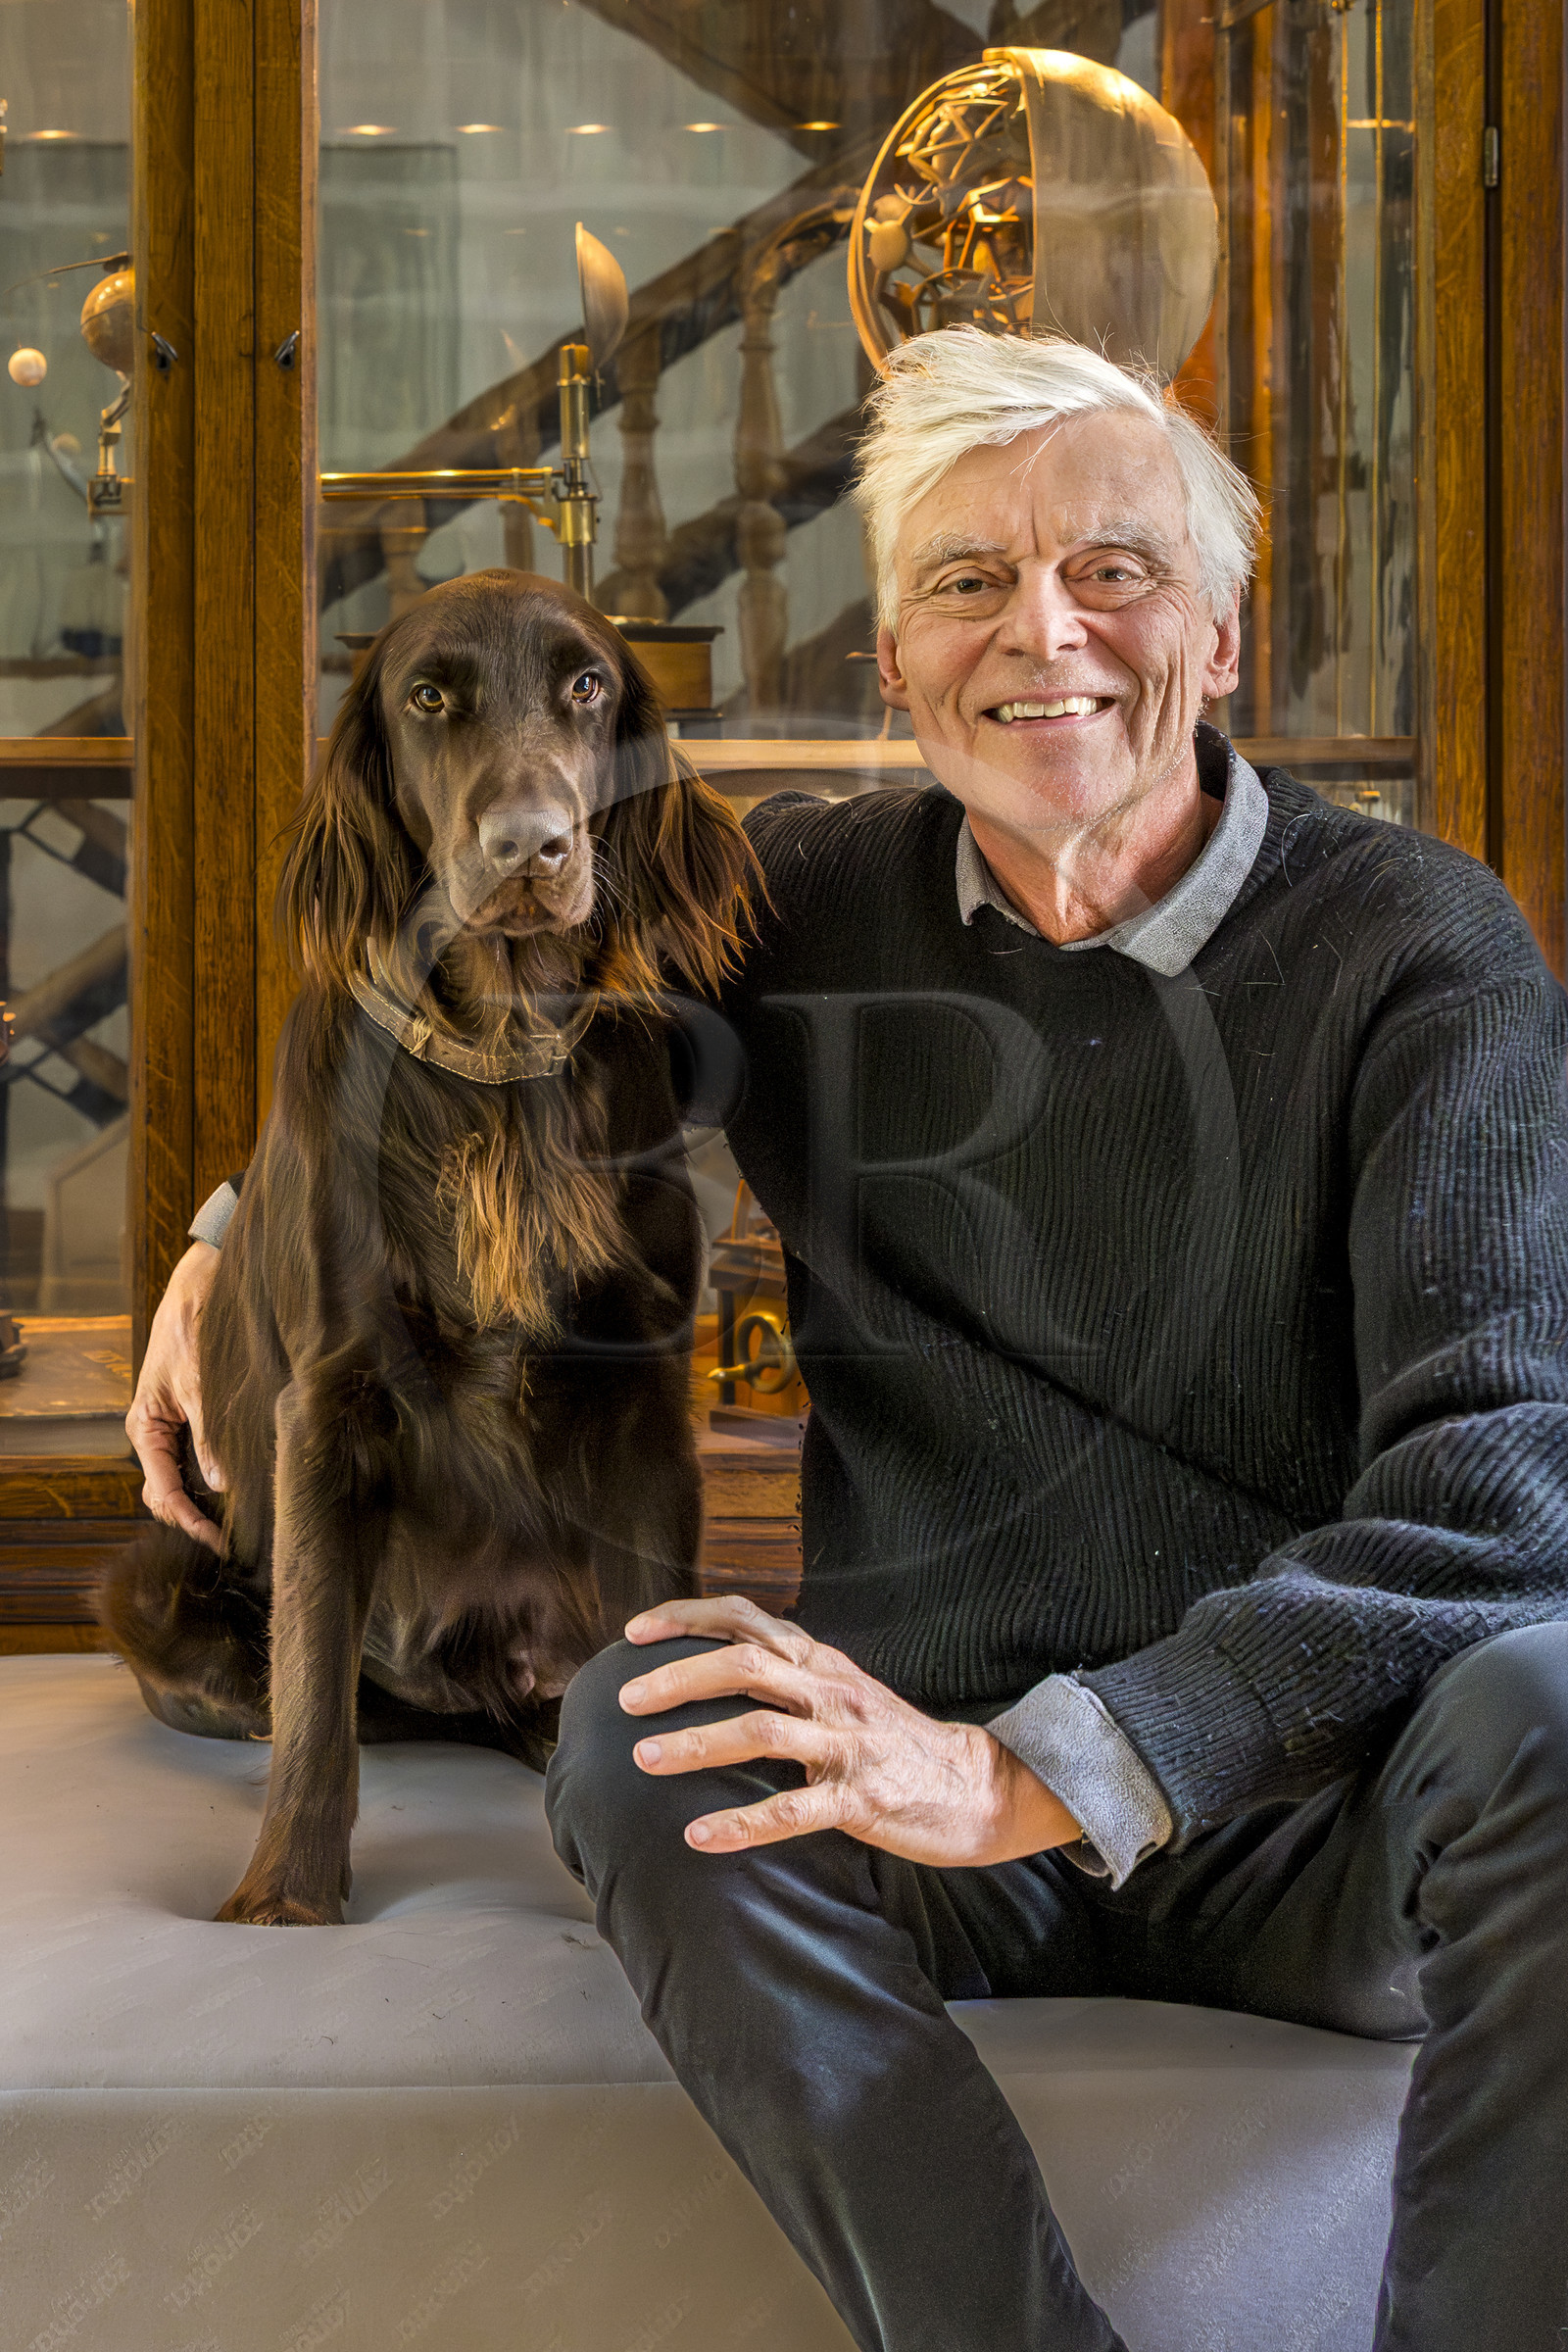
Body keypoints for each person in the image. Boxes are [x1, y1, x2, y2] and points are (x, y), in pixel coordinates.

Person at [130, 328, 1568, 2352]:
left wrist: (1044, 1772)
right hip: (919, 1807)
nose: (1038, 633)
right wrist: (222, 1246)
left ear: (1219, 635)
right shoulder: (788, 907)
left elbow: (1498, 1494)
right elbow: (440, 1015)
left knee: (1559, 1706)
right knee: (644, 1730)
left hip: (1308, 1813)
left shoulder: (1418, 950)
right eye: (965, 580)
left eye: (1113, 573)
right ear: (891, 664)